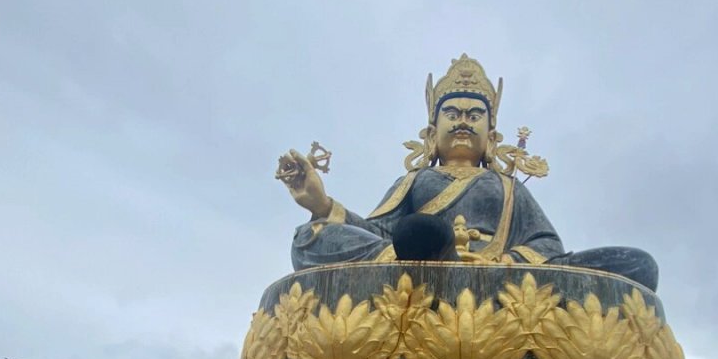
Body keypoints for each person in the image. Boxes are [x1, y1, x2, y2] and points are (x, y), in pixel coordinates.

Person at [277, 55, 658, 290]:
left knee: (635, 264)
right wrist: (323, 206)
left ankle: (453, 275)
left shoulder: (507, 186)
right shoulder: (415, 180)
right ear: (431, 133)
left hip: (500, 281)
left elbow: (547, 248)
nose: (463, 122)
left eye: (474, 116)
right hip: (423, 266)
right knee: (310, 238)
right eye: (453, 114)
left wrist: (500, 264)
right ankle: (438, 263)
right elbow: (381, 236)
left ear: (491, 136)